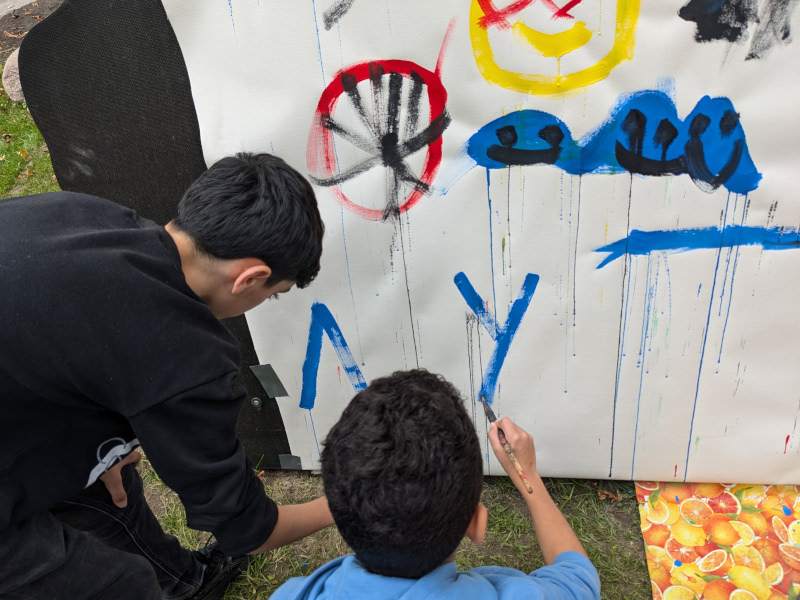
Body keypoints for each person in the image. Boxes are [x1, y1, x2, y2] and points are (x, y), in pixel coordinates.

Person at [0, 152, 334, 600]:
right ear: (248, 279)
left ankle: (185, 584)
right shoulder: (185, 353)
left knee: (107, 476)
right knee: (122, 588)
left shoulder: (83, 213)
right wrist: (341, 505)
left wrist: (96, 450)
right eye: (274, 293)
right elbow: (251, 530)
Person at [271, 369, 601, 600]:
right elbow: (578, 577)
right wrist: (528, 475)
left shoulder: (294, 594)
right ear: (476, 525)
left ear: (337, 512)